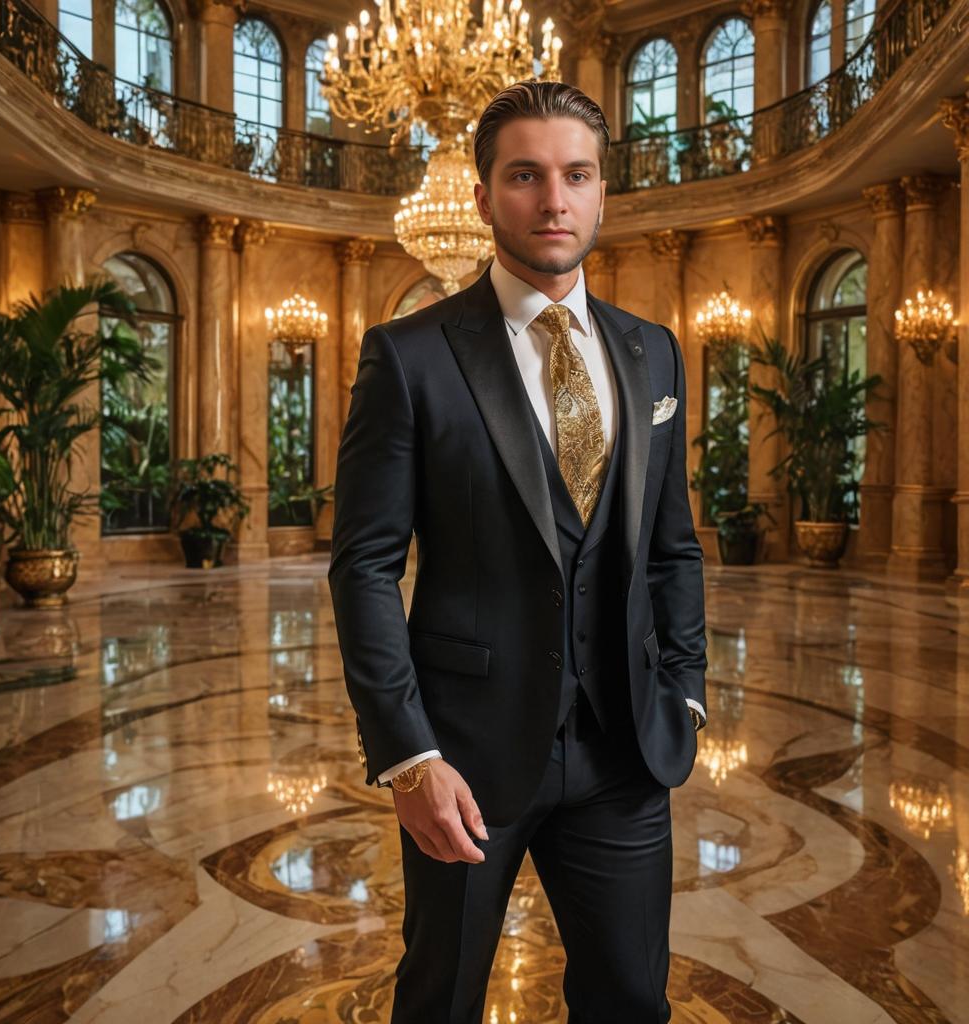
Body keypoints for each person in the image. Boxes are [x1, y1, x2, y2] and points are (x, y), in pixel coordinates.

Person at [328, 79, 707, 1024]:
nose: (554, 200)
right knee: (441, 999)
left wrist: (685, 690)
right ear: (486, 192)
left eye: (576, 174)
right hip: (463, 760)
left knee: (631, 1001)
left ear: (603, 189)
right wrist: (408, 755)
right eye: (527, 175)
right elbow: (365, 565)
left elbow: (671, 546)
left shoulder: (652, 352)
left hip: (625, 751)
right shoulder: (409, 354)